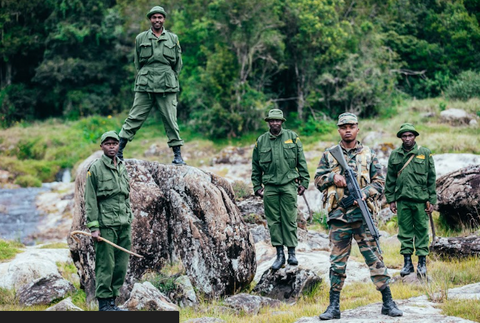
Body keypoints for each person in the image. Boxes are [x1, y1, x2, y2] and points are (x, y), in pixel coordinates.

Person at [314, 112, 402, 320]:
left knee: (375, 259)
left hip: (363, 217)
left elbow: (379, 183)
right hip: (339, 217)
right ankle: (333, 307)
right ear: (339, 129)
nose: (347, 130)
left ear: (357, 128)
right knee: (337, 263)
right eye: (343, 126)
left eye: (351, 126)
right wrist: (332, 177)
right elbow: (317, 180)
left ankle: (388, 303)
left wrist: (362, 193)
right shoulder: (329, 155)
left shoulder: (369, 154)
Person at [117, 5, 186, 165]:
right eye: (154, 17)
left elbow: (178, 64)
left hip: (167, 84)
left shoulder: (173, 38)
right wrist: (146, 75)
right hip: (145, 84)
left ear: (164, 19)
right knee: (135, 117)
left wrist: (169, 76)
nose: (157, 20)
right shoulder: (141, 38)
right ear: (150, 19)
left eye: (160, 17)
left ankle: (178, 155)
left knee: (170, 119)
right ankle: (119, 151)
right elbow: (137, 62)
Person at [251, 108, 310, 271]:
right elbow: (255, 167)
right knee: (273, 221)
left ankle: (292, 253)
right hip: (270, 187)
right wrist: (257, 187)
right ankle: (279, 255)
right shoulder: (261, 141)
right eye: (272, 120)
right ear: (268, 122)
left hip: (289, 185)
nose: (275, 123)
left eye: (278, 121)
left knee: (290, 219)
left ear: (282, 122)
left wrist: (304, 181)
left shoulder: (292, 138)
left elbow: (301, 162)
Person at [84, 130, 134, 311]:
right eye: (108, 143)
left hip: (124, 224)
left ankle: (113, 302)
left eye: (114, 143)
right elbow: (90, 200)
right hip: (106, 225)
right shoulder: (95, 168)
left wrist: (129, 218)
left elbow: (125, 196)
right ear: (102, 147)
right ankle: (104, 304)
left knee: (121, 265)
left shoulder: (122, 165)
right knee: (106, 264)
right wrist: (93, 227)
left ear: (118, 145)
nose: (112, 146)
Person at [385, 123, 436, 278]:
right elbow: (390, 179)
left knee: (422, 231)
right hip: (402, 201)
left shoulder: (425, 153)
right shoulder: (395, 155)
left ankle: (422, 263)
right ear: (401, 138)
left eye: (410, 135)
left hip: (421, 201)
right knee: (405, 232)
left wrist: (432, 200)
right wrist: (391, 200)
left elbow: (432, 178)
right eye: (404, 136)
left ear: (415, 137)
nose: (407, 138)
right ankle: (407, 263)